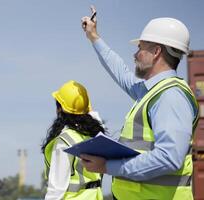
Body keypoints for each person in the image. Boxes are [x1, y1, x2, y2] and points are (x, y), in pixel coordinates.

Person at [80, 6, 199, 200]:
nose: (135, 54)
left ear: (156, 52)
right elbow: (122, 73)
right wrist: (94, 37)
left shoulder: (170, 96)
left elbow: (169, 158)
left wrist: (107, 166)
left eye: (140, 48)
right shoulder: (152, 92)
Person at [42, 80, 106, 200]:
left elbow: (56, 188)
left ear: (59, 109)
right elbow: (95, 118)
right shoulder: (95, 135)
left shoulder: (65, 140)